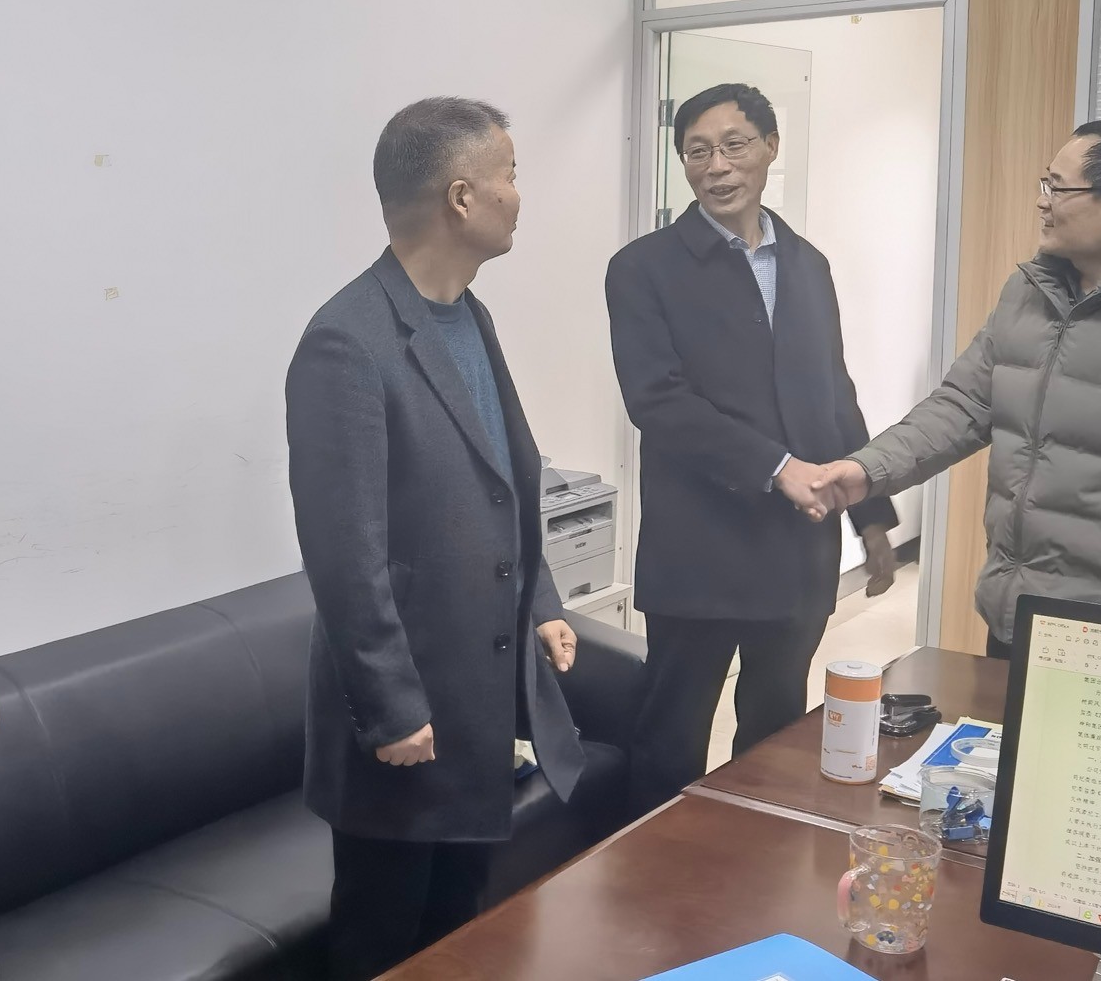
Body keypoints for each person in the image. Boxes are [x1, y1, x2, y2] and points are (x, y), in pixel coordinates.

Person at [286, 97, 586, 980]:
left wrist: (541, 600)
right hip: (407, 714)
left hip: (477, 700)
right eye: (510, 175)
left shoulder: (468, 316)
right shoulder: (346, 342)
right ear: (462, 196)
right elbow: (344, 551)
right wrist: (390, 705)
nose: (519, 194)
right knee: (383, 940)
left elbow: (501, 485)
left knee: (460, 931)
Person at [811, 119, 1101, 657]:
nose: (1042, 201)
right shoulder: (1028, 293)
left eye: (1057, 187)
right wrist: (866, 470)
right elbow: (962, 405)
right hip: (1016, 614)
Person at [606, 82, 899, 814]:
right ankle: (653, 869)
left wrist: (872, 517)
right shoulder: (643, 268)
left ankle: (756, 865)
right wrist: (777, 467)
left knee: (774, 737)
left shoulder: (807, 264)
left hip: (796, 550)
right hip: (697, 548)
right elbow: (658, 402)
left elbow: (834, 394)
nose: (717, 166)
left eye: (734, 145)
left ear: (770, 147)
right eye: (696, 152)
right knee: (670, 740)